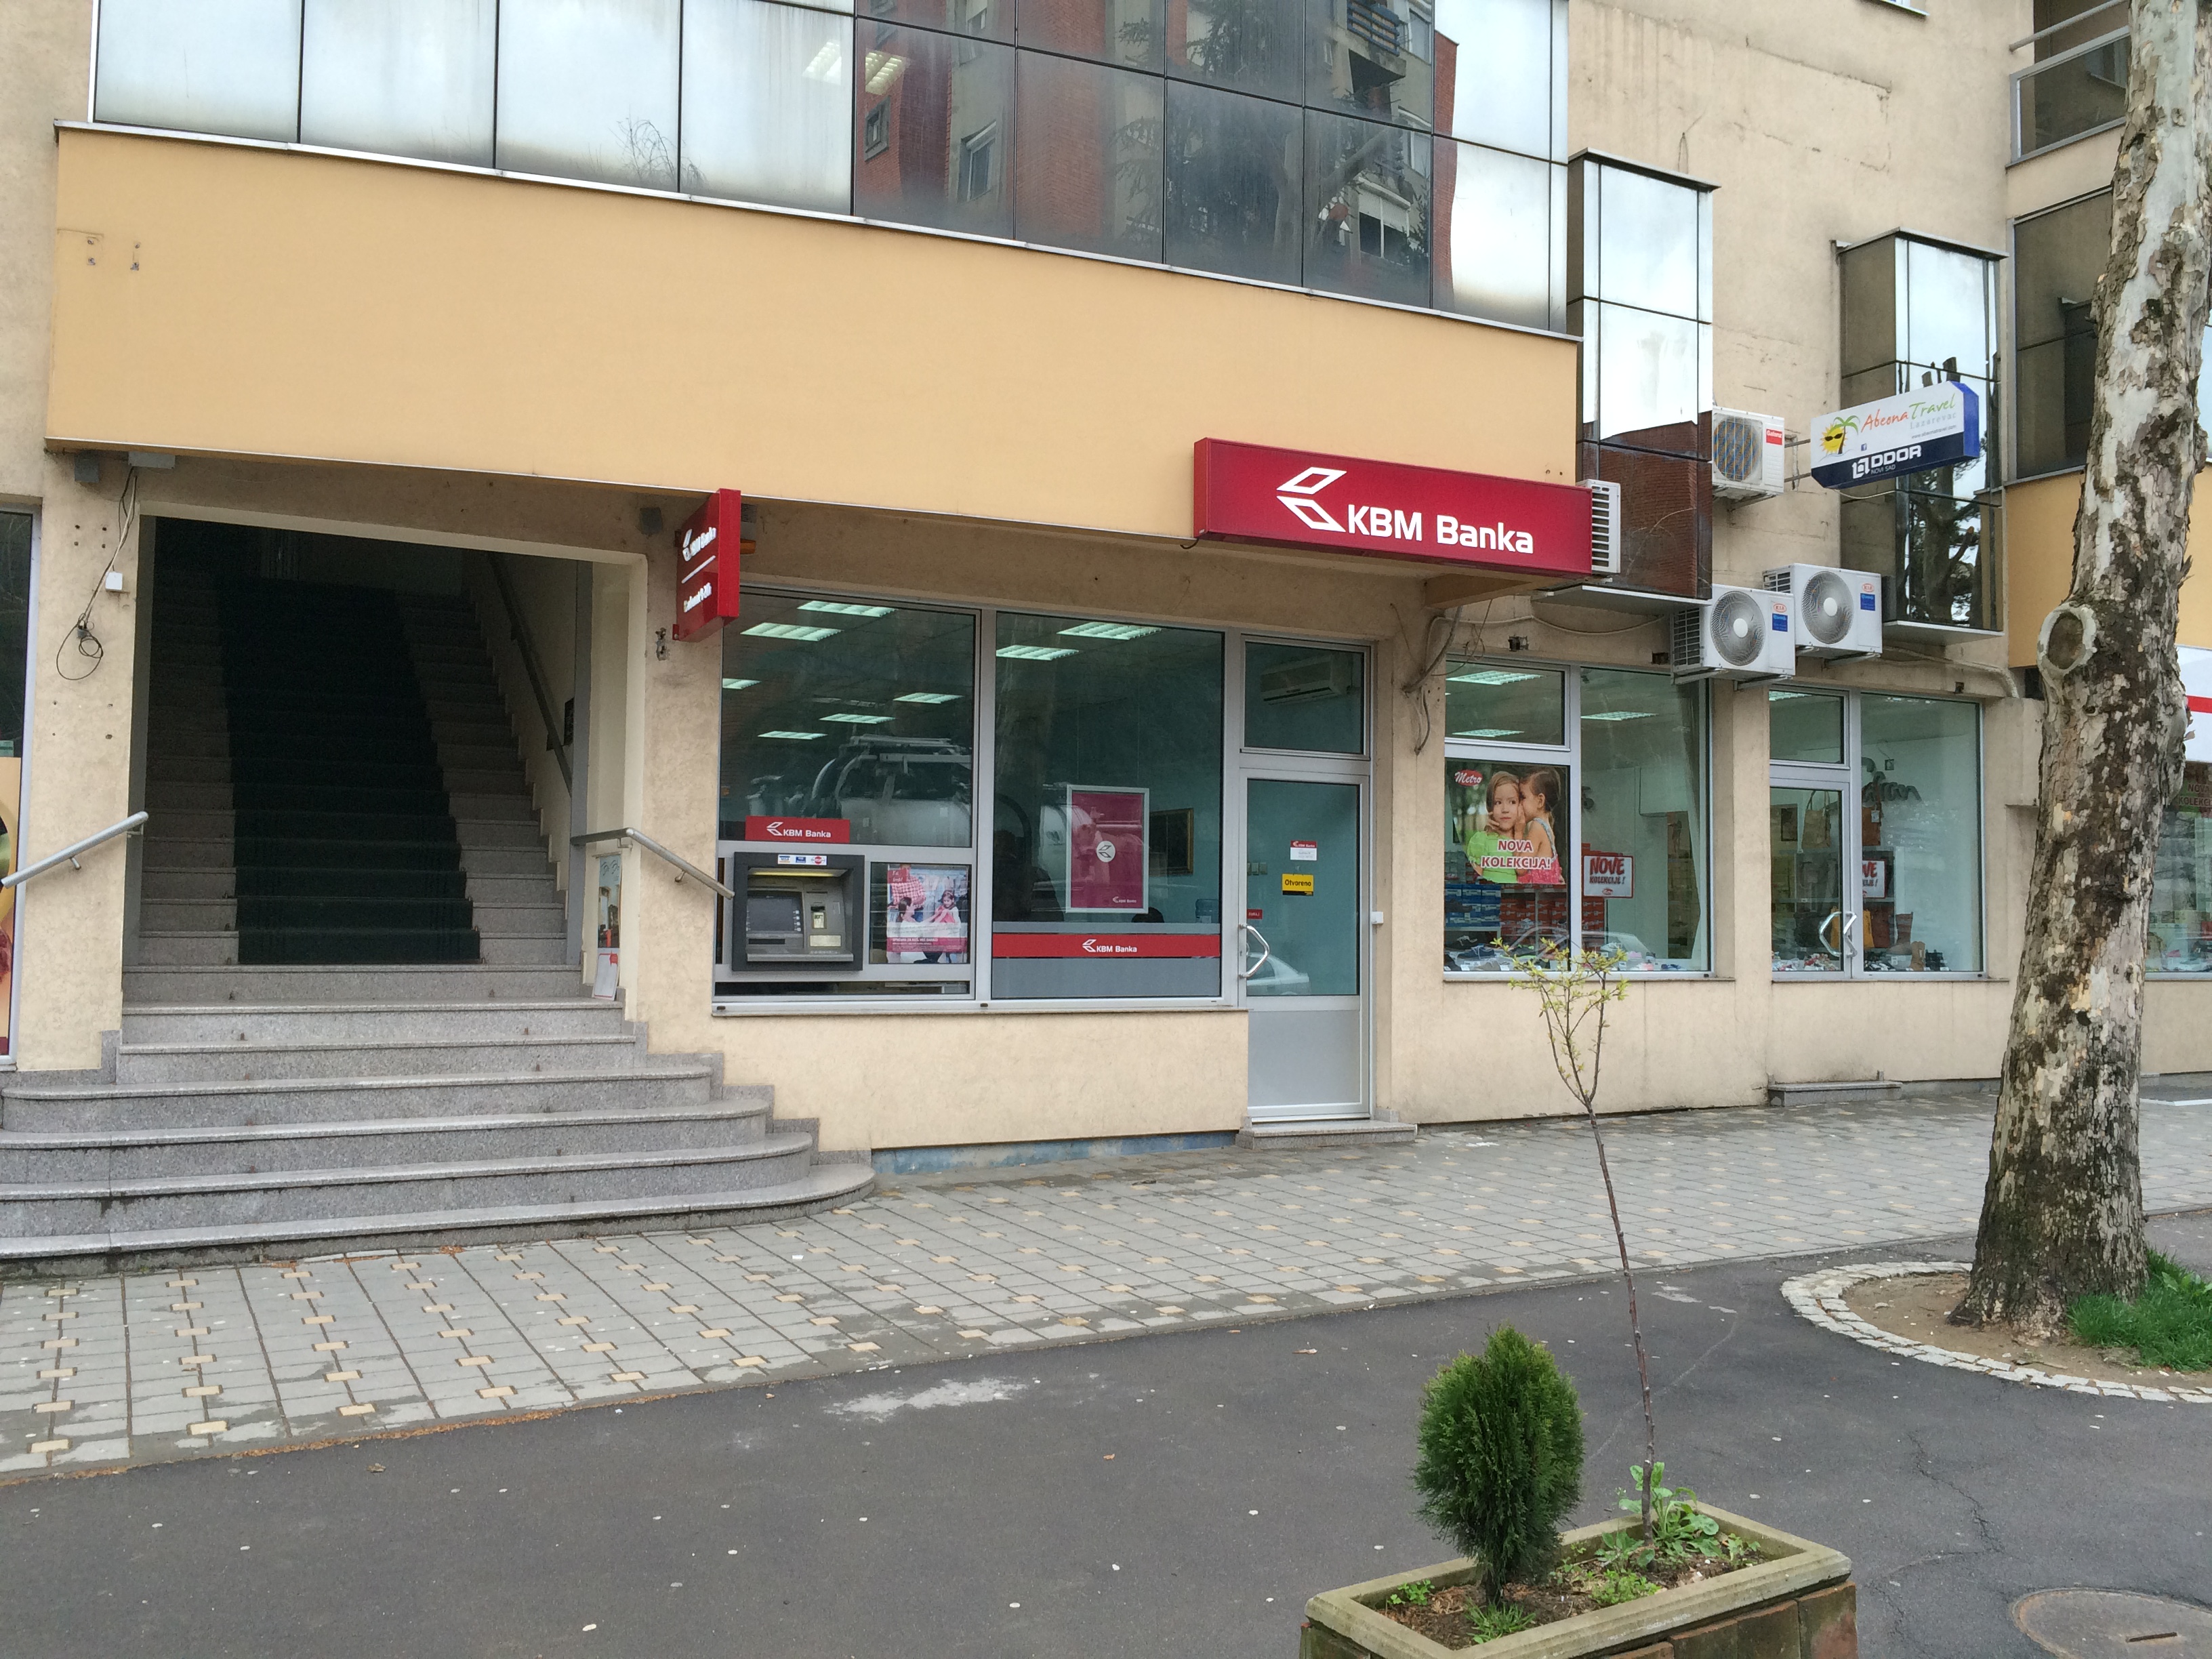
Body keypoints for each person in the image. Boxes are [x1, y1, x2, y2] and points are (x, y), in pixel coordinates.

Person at [1519, 767, 1562, 881]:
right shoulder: (1547, 827)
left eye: (1523, 797)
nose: (1519, 803)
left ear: (1540, 801)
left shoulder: (1537, 826)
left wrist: (1518, 831)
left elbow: (1521, 868)